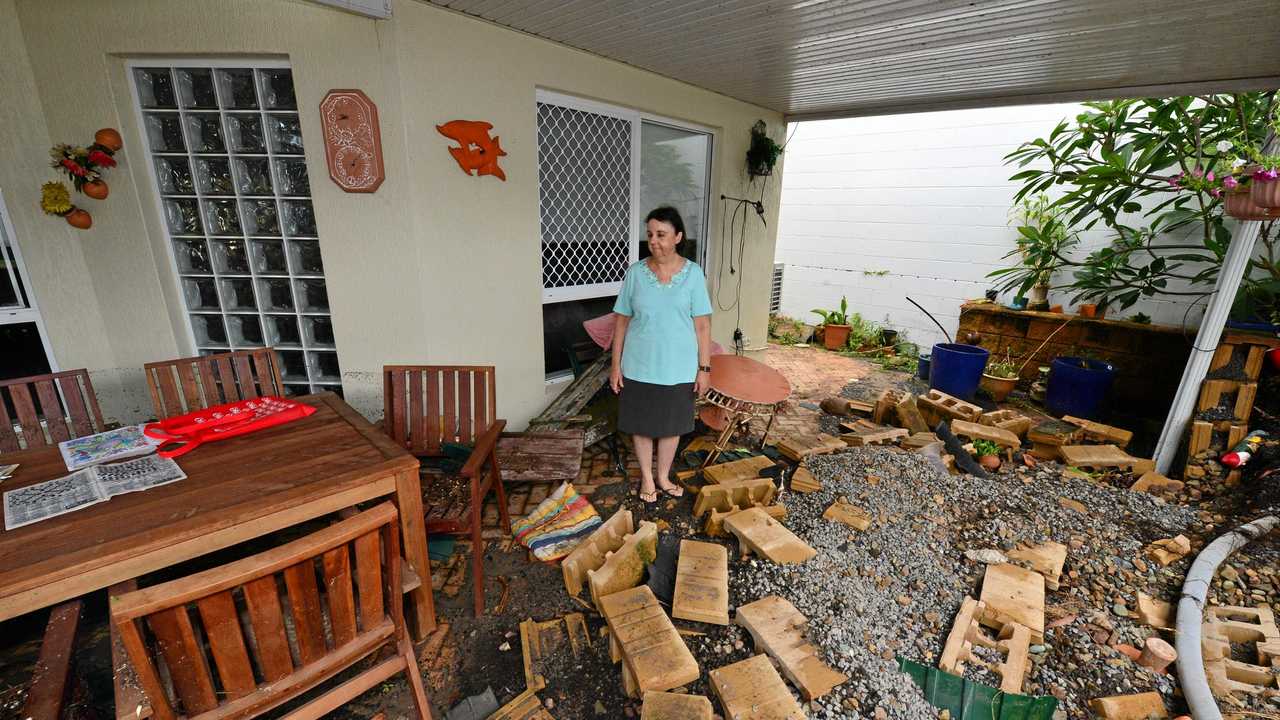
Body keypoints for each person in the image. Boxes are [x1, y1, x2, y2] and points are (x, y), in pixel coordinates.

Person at [610, 206, 713, 504]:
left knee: (671, 427)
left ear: (678, 237)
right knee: (641, 425)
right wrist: (615, 365)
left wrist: (704, 368)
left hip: (679, 367)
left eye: (661, 234)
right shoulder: (635, 274)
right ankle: (646, 477)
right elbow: (622, 320)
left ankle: (663, 476)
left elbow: (703, 325)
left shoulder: (693, 274)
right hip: (639, 365)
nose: (654, 241)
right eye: (650, 234)